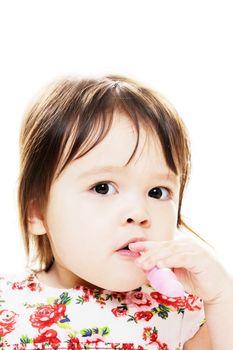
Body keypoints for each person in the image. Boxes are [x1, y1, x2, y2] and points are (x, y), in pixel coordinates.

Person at [0, 75, 232, 350]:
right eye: (102, 188)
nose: (138, 213)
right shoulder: (7, 305)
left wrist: (222, 298)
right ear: (36, 212)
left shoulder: (183, 314)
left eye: (157, 192)